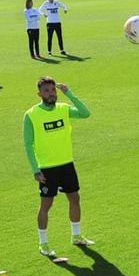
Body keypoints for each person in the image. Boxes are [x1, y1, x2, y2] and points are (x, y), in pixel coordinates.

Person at [23, 77, 93, 257]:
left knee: (74, 198)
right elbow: (28, 144)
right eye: (46, 91)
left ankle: (76, 236)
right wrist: (35, 170)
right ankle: (43, 243)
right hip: (47, 168)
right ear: (39, 94)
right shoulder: (31, 115)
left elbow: (85, 113)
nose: (51, 93)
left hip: (66, 164)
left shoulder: (63, 109)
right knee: (46, 204)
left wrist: (68, 93)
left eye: (53, 90)